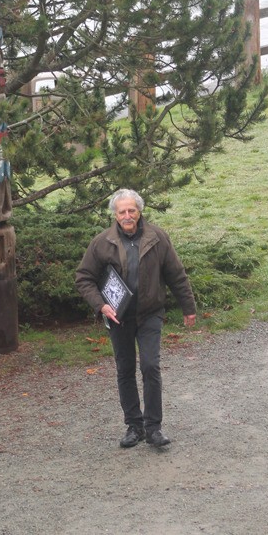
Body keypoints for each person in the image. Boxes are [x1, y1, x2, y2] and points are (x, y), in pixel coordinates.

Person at [75, 188, 196, 449]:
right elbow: (84, 278)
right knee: (125, 369)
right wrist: (101, 306)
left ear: (139, 211)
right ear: (115, 215)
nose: (127, 215)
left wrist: (189, 307)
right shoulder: (101, 242)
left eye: (132, 210)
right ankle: (134, 426)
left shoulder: (158, 238)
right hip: (118, 317)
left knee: (150, 366)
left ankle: (154, 429)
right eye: (122, 212)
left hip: (150, 313)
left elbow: (176, 274)